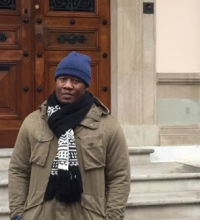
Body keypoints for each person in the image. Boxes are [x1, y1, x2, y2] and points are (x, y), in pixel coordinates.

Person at [8, 51, 130, 220]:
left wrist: (113, 217)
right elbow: (18, 170)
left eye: (75, 81)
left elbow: (119, 177)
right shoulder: (34, 122)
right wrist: (18, 213)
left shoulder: (107, 126)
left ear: (86, 85)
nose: (67, 85)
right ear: (56, 82)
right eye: (62, 79)